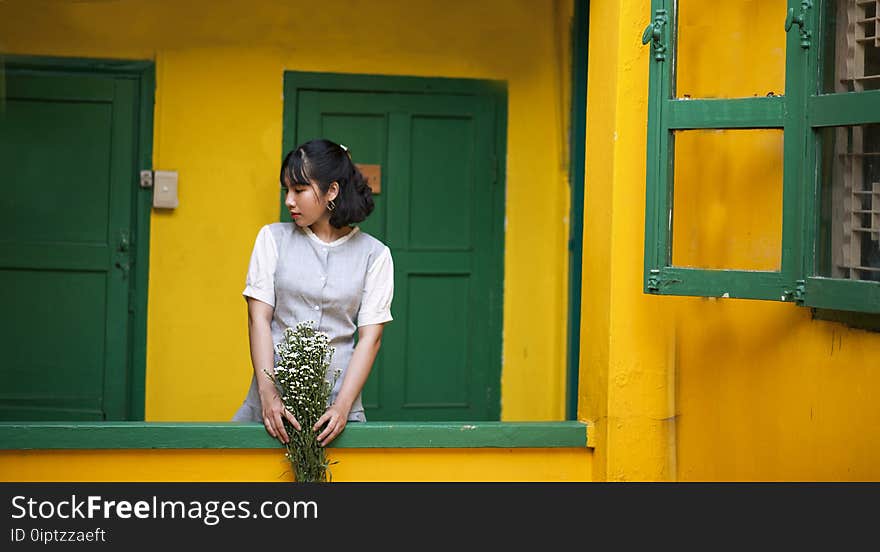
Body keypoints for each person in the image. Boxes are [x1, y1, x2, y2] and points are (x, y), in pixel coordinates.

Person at [231, 139, 393, 448]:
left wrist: (342, 407)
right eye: (286, 191)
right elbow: (258, 319)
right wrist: (269, 396)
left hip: (336, 417)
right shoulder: (271, 239)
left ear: (332, 191)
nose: (289, 201)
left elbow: (371, 338)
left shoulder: (376, 255)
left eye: (300, 190)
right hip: (271, 412)